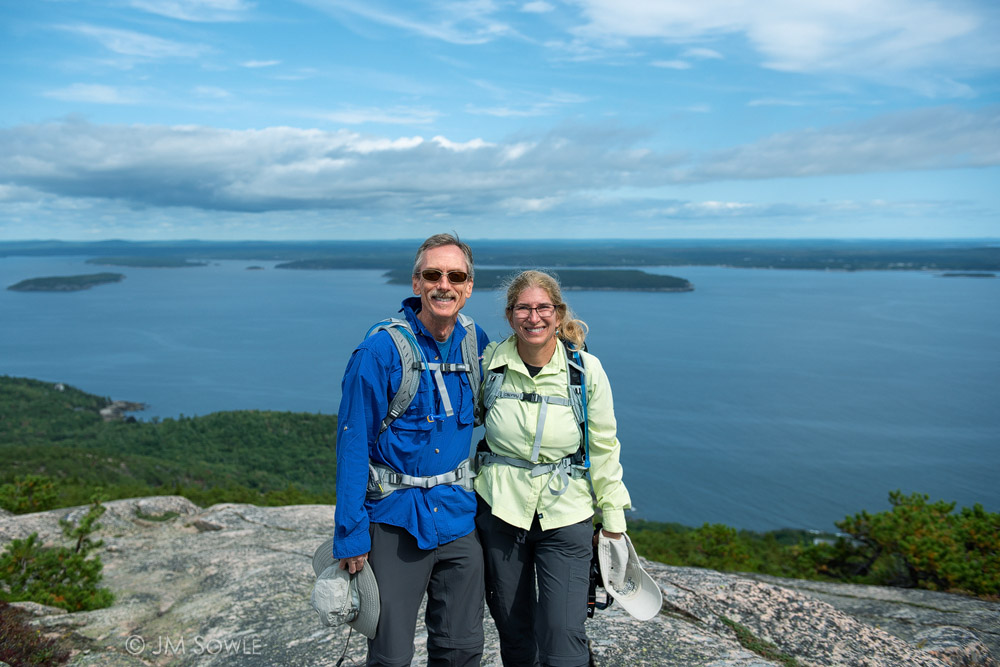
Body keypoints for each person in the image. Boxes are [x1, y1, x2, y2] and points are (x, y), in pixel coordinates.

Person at [334, 233, 490, 667]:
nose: (445, 284)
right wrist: (350, 534)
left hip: (457, 518)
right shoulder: (380, 350)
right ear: (417, 283)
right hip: (395, 521)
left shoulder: (475, 342)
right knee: (390, 653)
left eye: (455, 275)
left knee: (462, 648)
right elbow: (352, 445)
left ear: (469, 286)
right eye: (433, 275)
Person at [475, 270, 633, 667]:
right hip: (499, 510)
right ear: (510, 316)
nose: (534, 317)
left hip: (566, 514)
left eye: (543, 308)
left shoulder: (585, 371)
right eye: (524, 309)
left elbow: (603, 446)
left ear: (558, 314)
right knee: (514, 632)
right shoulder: (489, 363)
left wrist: (613, 520)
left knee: (562, 636)